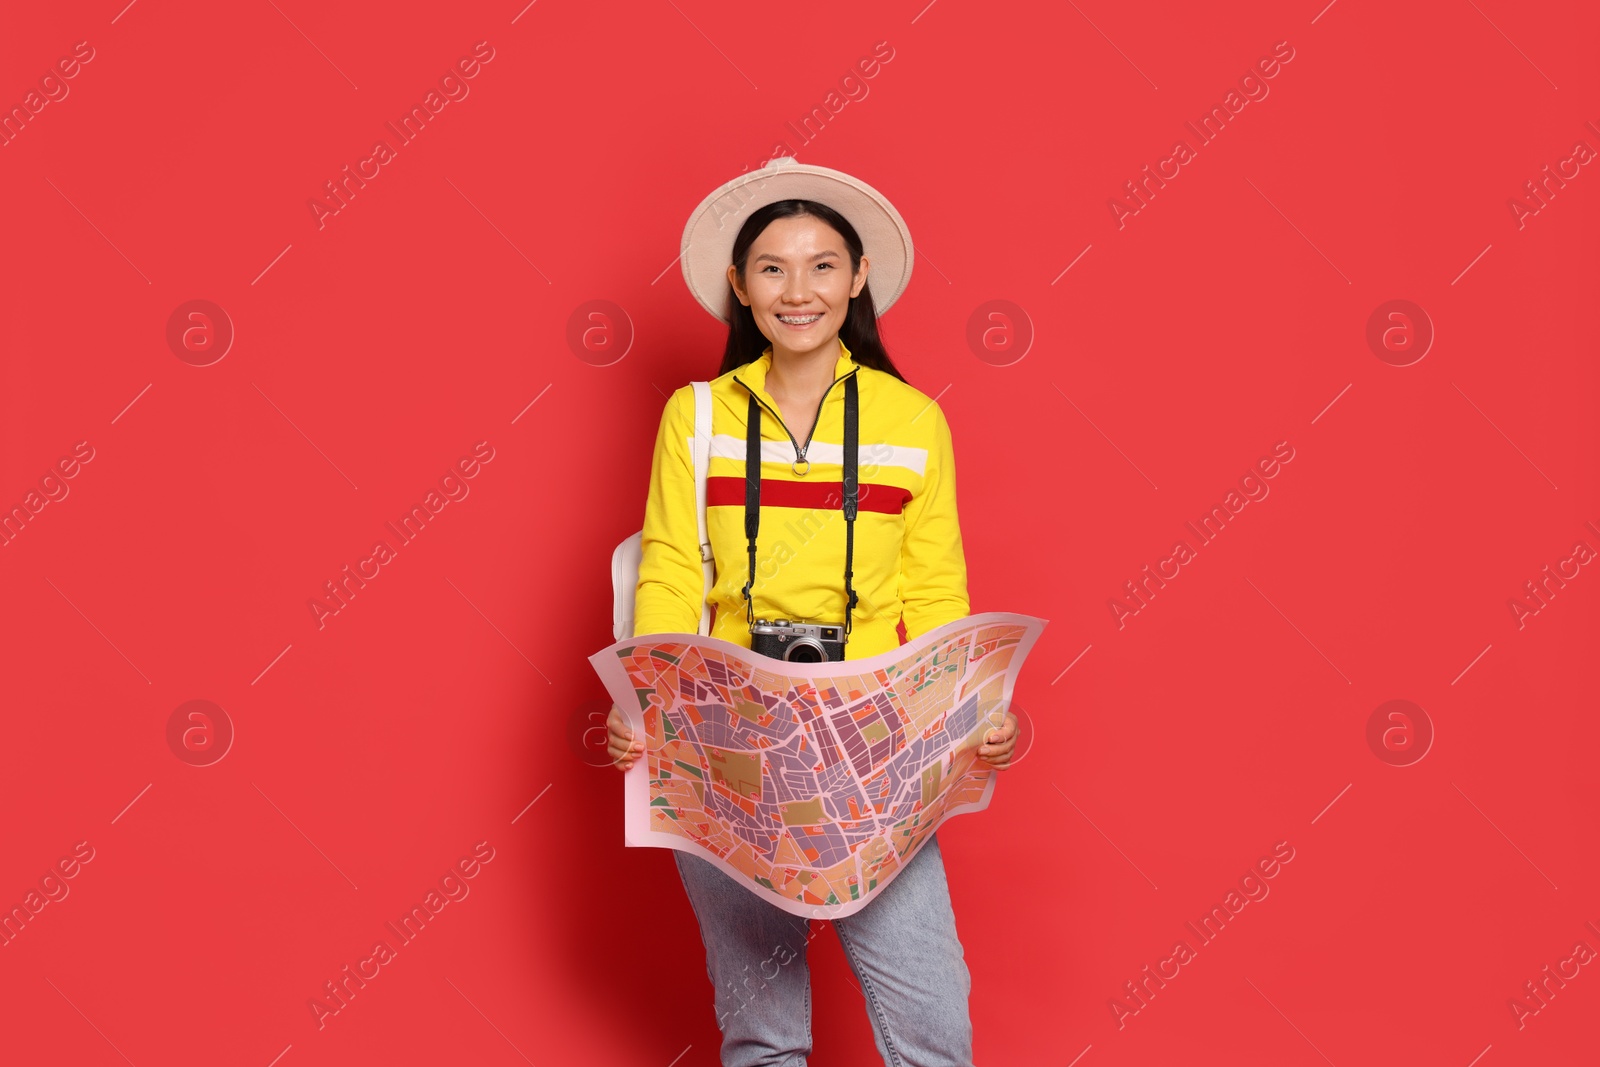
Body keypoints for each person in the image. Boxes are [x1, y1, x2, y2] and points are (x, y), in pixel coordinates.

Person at [607, 158, 1019, 1067]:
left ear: (859, 278)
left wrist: (980, 707)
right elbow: (671, 566)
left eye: (823, 265)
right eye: (773, 268)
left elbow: (936, 592)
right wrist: (642, 696)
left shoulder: (912, 420)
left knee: (934, 1024)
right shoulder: (699, 415)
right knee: (763, 1030)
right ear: (739, 286)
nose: (800, 290)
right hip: (727, 735)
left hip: (876, 738)